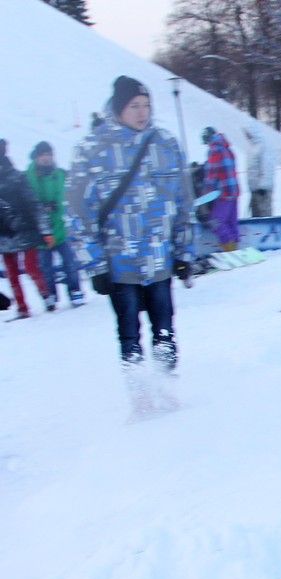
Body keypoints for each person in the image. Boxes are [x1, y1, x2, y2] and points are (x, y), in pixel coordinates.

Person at [67, 76, 194, 388]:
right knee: (128, 331)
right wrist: (95, 265)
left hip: (159, 258)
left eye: (146, 106)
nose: (142, 113)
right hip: (119, 264)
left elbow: (182, 202)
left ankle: (168, 386)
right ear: (118, 108)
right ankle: (140, 393)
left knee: (164, 327)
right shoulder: (92, 149)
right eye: (135, 106)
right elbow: (77, 212)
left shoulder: (165, 144)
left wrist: (184, 252)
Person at [26, 141, 84, 308]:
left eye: (49, 155)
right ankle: (50, 295)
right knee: (46, 268)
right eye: (43, 155)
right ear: (37, 157)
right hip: (40, 231)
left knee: (70, 263)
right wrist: (42, 208)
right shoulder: (29, 177)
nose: (47, 158)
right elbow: (28, 200)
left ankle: (75, 291)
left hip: (61, 227)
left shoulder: (60, 174)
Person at [0, 138, 53, 319]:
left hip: (24, 228)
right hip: (6, 232)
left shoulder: (17, 177)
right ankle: (23, 307)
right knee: (12, 272)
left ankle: (45, 295)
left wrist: (45, 230)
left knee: (29, 268)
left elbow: (33, 203)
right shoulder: (17, 176)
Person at [201, 126, 240, 251]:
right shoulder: (227, 148)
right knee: (231, 222)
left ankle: (229, 247)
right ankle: (235, 248)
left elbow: (211, 174)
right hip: (234, 191)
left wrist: (206, 194)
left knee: (216, 221)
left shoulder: (215, 150)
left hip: (223, 192)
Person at [244, 126, 274, 217]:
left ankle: (268, 230)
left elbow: (267, 166)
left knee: (264, 214)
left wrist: (263, 185)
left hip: (262, 190)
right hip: (254, 189)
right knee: (255, 215)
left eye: (249, 134)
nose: (247, 136)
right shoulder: (252, 148)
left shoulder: (263, 146)